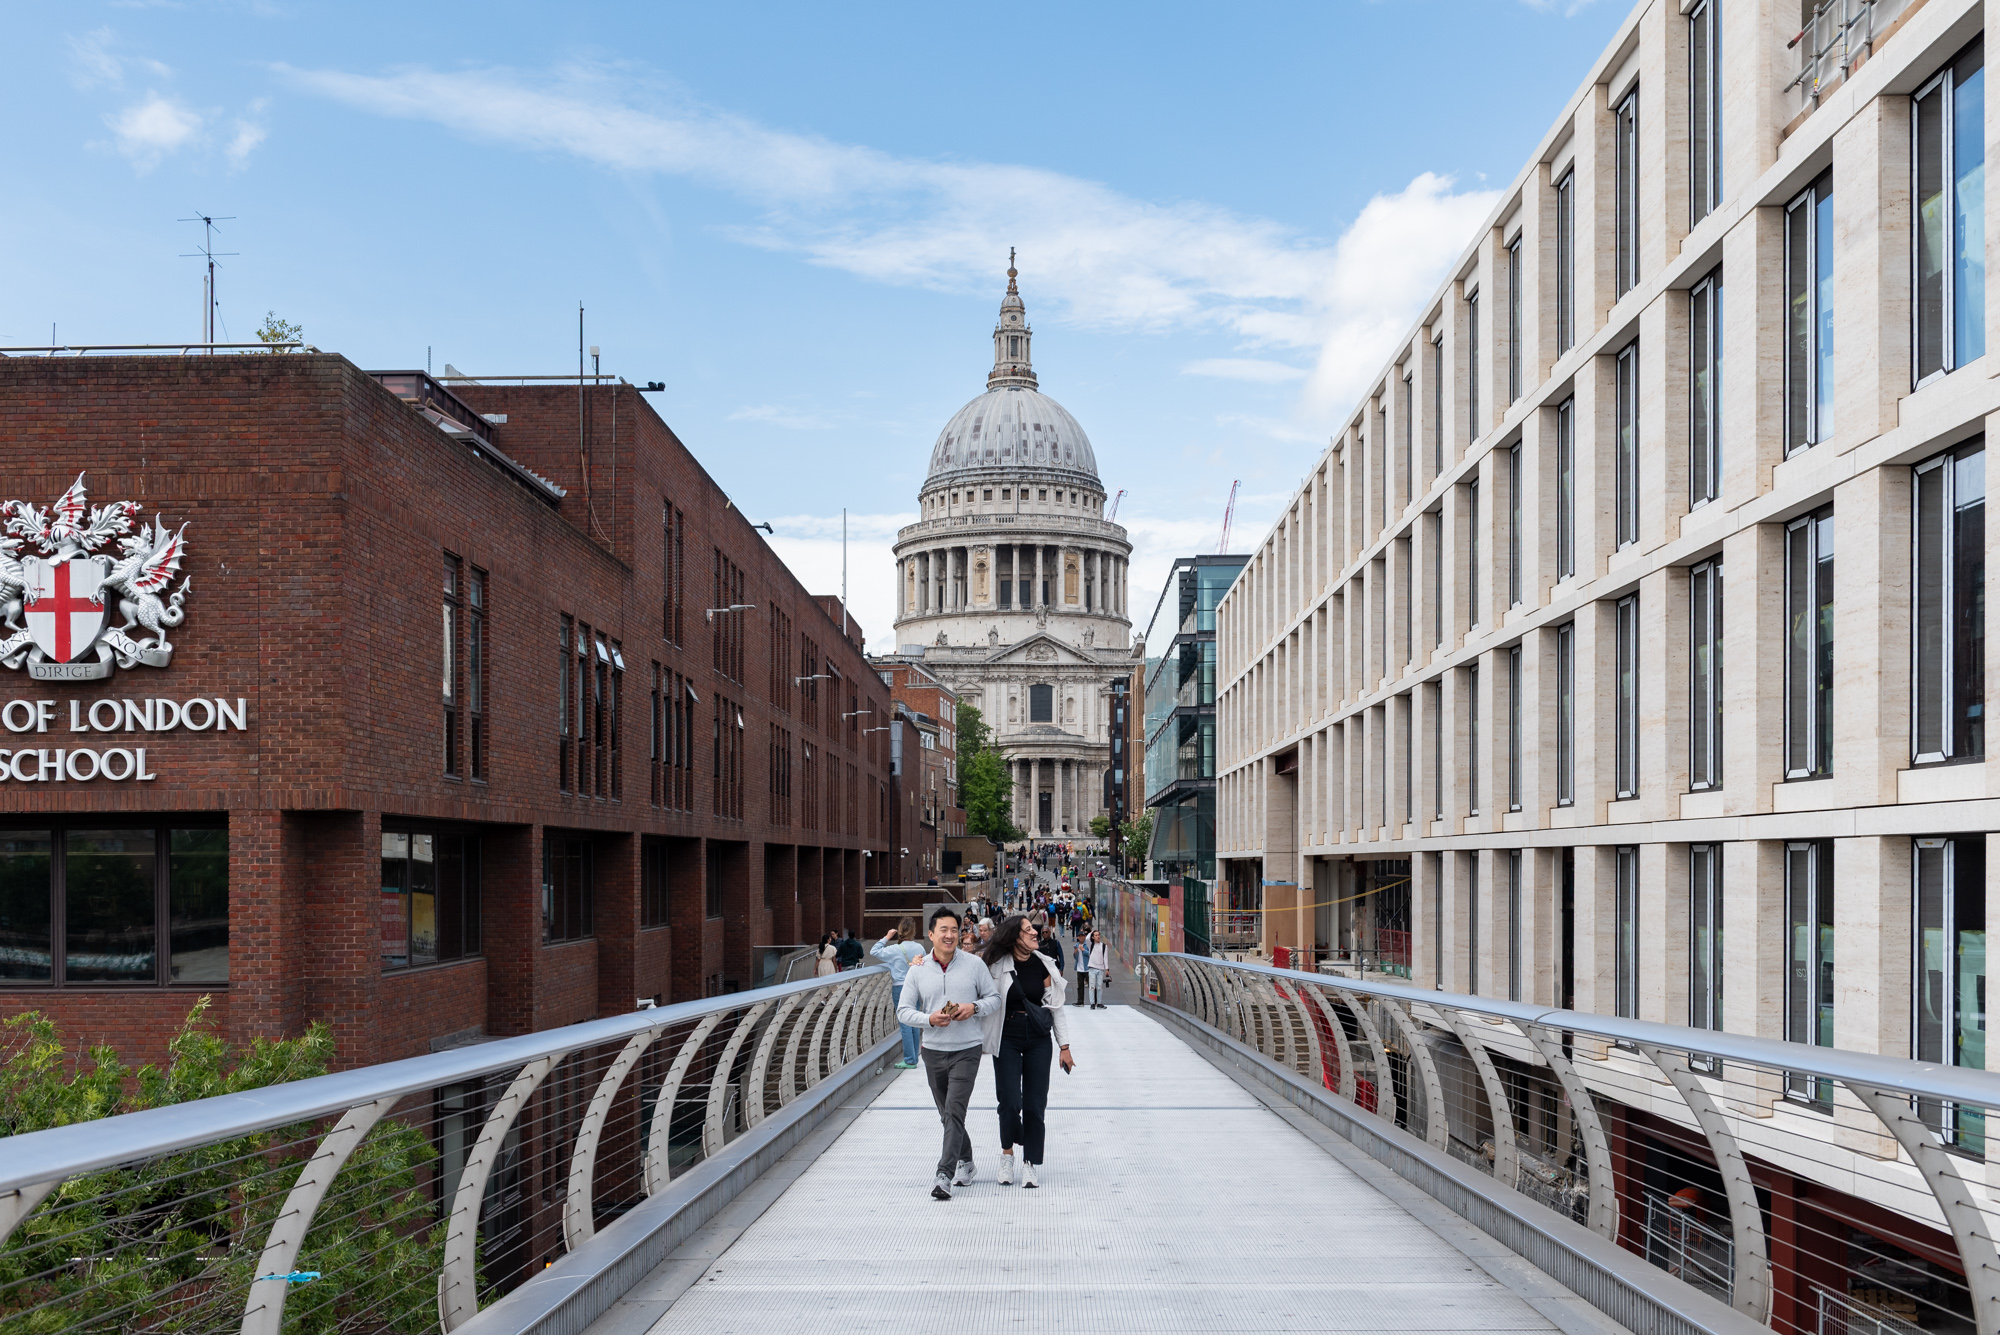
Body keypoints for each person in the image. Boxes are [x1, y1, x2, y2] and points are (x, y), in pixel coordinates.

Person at [894, 907, 999, 1200]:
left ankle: (944, 1174)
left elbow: (994, 999)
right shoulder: (917, 969)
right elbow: (903, 1011)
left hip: (967, 1049)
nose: (950, 935)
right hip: (933, 1051)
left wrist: (973, 1008)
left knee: (954, 1109)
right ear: (931, 935)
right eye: (943, 930)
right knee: (946, 1114)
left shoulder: (974, 966)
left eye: (954, 930)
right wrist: (928, 1019)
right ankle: (966, 1159)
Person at [980, 914, 1073, 1188]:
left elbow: (1055, 1008)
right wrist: (920, 962)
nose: (1035, 932)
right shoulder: (995, 966)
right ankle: (1007, 1154)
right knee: (1009, 1102)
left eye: (1033, 928)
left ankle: (1030, 1162)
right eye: (1028, 930)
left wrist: (1064, 1047)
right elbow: (967, 974)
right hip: (1006, 1036)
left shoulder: (1045, 966)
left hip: (1038, 1038)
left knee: (1034, 1104)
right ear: (1014, 936)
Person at [873, 917, 926, 1068]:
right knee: (914, 1021)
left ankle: (909, 1059)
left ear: (900, 931)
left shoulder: (894, 949)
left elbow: (874, 951)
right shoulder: (919, 948)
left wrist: (887, 937)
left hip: (900, 987)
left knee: (904, 1023)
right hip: (915, 987)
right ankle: (915, 1056)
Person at [1087, 930, 1108, 1008]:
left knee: (1099, 986)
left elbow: (1105, 958)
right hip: (1092, 968)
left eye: (1098, 935)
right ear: (1093, 937)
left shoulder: (1103, 946)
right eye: (1095, 935)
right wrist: (1090, 932)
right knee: (1092, 986)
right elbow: (1086, 939)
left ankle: (1099, 1002)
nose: (1098, 936)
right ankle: (1092, 1003)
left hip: (1100, 968)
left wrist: (1107, 968)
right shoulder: (1091, 945)